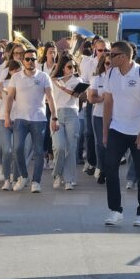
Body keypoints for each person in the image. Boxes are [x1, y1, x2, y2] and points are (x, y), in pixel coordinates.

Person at [102, 41, 140, 228]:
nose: (108, 58)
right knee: (109, 166)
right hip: (117, 128)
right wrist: (105, 132)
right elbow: (108, 103)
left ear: (124, 57)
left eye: (112, 54)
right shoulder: (110, 73)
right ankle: (115, 210)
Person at [4, 48, 58, 193]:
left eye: (33, 59)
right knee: (17, 148)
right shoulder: (16, 77)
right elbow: (9, 97)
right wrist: (7, 116)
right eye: (27, 59)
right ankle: (23, 176)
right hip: (20, 118)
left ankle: (36, 182)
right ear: (23, 61)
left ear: (36, 60)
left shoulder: (43, 77)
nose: (30, 62)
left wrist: (54, 117)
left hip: (39, 118)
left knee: (39, 152)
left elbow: (51, 98)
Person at [50, 54, 83, 190]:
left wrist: (61, 86)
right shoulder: (53, 79)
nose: (72, 69)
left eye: (74, 66)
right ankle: (58, 174)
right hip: (57, 114)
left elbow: (76, 95)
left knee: (71, 148)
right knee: (59, 147)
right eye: (69, 67)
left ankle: (69, 179)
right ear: (63, 68)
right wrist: (54, 82)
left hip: (72, 114)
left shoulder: (78, 80)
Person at [79, 38, 108, 175]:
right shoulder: (88, 63)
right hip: (91, 100)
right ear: (95, 50)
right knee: (90, 133)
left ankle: (102, 164)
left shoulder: (112, 64)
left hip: (108, 104)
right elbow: (83, 81)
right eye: (101, 50)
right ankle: (91, 161)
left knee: (105, 137)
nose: (103, 53)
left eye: (106, 50)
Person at [0, 60, 22, 190]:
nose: (17, 73)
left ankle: (16, 178)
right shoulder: (4, 83)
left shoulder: (23, 84)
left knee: (17, 150)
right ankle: (7, 178)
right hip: (3, 119)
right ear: (9, 71)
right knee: (7, 150)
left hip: (19, 119)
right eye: (14, 70)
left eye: (19, 70)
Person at [88, 52, 111, 184]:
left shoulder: (120, 78)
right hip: (99, 115)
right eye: (107, 63)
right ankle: (102, 169)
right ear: (103, 64)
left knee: (112, 145)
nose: (109, 66)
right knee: (101, 144)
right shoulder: (97, 78)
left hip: (116, 116)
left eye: (111, 64)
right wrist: (102, 98)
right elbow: (91, 98)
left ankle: (109, 170)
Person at [40, 41, 58, 170]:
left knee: (53, 129)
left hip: (54, 102)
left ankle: (52, 156)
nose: (53, 53)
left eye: (54, 51)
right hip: (43, 103)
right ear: (46, 53)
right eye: (50, 51)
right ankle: (45, 155)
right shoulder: (40, 66)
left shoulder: (58, 66)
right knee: (45, 131)